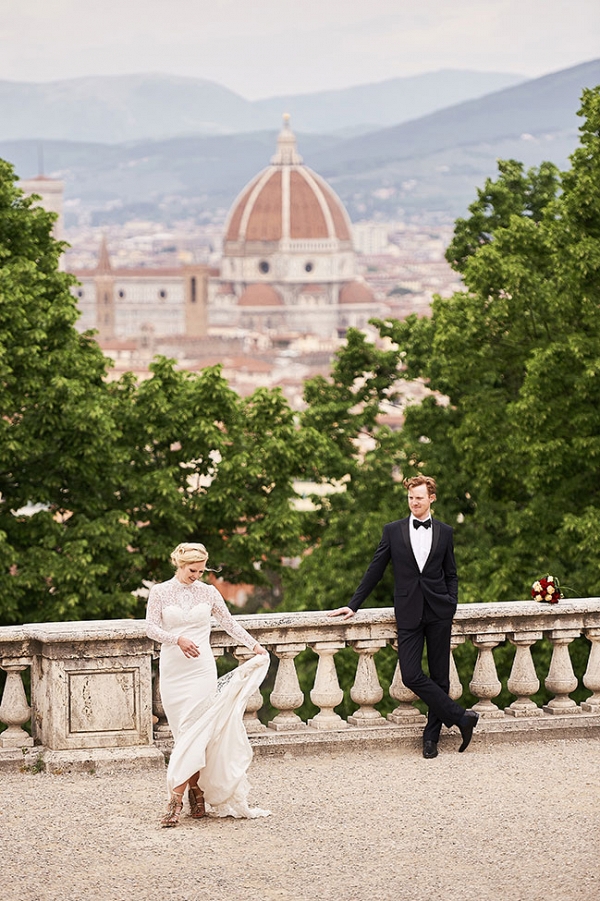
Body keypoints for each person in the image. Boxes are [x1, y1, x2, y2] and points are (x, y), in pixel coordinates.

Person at [328, 475, 478, 759]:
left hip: (439, 611)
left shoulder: (445, 532)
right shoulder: (393, 531)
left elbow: (451, 573)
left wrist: (451, 604)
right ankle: (461, 717)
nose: (414, 502)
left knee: (440, 677)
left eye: (419, 497)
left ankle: (431, 738)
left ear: (431, 498)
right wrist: (354, 605)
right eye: (410, 497)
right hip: (408, 611)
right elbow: (375, 569)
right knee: (410, 675)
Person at [145, 542, 270, 826]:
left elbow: (229, 624)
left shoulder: (208, 592)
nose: (197, 575)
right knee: (184, 735)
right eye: (193, 570)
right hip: (174, 671)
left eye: (201, 570)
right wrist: (177, 638)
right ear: (179, 564)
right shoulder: (160, 592)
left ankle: (174, 802)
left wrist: (254, 646)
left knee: (196, 733)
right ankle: (196, 792)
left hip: (201, 671)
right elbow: (150, 628)